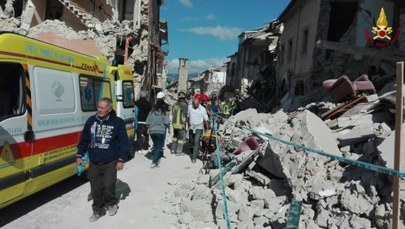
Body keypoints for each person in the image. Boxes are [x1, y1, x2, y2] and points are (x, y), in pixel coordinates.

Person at [76, 97, 129, 222]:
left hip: (110, 161)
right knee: (95, 187)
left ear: (109, 109)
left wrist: (121, 159)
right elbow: (84, 139)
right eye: (98, 107)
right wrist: (79, 155)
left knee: (108, 185)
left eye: (102, 107)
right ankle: (97, 210)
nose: (99, 110)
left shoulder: (118, 123)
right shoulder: (91, 121)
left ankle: (111, 203)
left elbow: (124, 143)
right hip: (94, 161)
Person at [145, 98, 169, 168]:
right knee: (159, 146)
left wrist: (150, 126)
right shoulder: (163, 112)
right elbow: (166, 122)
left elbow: (147, 122)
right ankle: (154, 162)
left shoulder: (151, 112)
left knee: (156, 145)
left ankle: (155, 155)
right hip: (160, 131)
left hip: (152, 131)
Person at [188, 98, 209, 163]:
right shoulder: (190, 107)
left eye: (196, 104)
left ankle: (194, 158)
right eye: (194, 104)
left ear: (199, 103)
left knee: (196, 141)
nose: (195, 105)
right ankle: (194, 150)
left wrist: (207, 129)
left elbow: (206, 120)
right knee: (191, 140)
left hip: (199, 127)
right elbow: (188, 116)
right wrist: (188, 125)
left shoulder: (202, 109)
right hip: (191, 127)